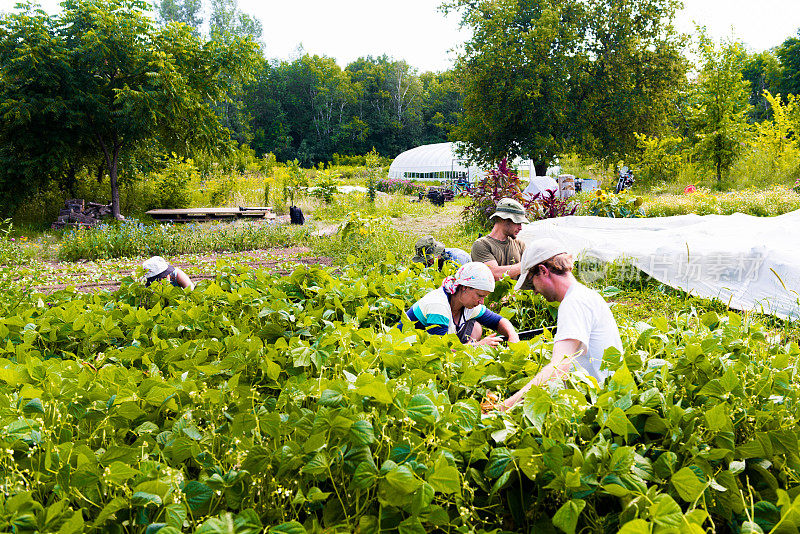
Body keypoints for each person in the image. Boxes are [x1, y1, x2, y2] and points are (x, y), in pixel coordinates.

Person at [484, 238, 622, 411]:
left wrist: (504, 407)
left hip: (597, 405)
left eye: (531, 282)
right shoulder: (585, 295)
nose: (534, 290)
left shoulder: (574, 302)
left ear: (543, 271)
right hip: (604, 397)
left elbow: (559, 368)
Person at [404, 262, 520, 345]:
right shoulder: (438, 306)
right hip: (408, 347)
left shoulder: (466, 302)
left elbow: (497, 321)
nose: (482, 301)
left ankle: (466, 346)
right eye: (480, 296)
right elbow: (439, 350)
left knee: (476, 326)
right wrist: (478, 346)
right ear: (464, 288)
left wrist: (512, 335)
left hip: (432, 344)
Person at [471, 198, 529, 281]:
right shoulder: (482, 245)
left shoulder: (519, 244)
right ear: (503, 219)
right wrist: (526, 264)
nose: (520, 228)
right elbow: (494, 274)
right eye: (517, 222)